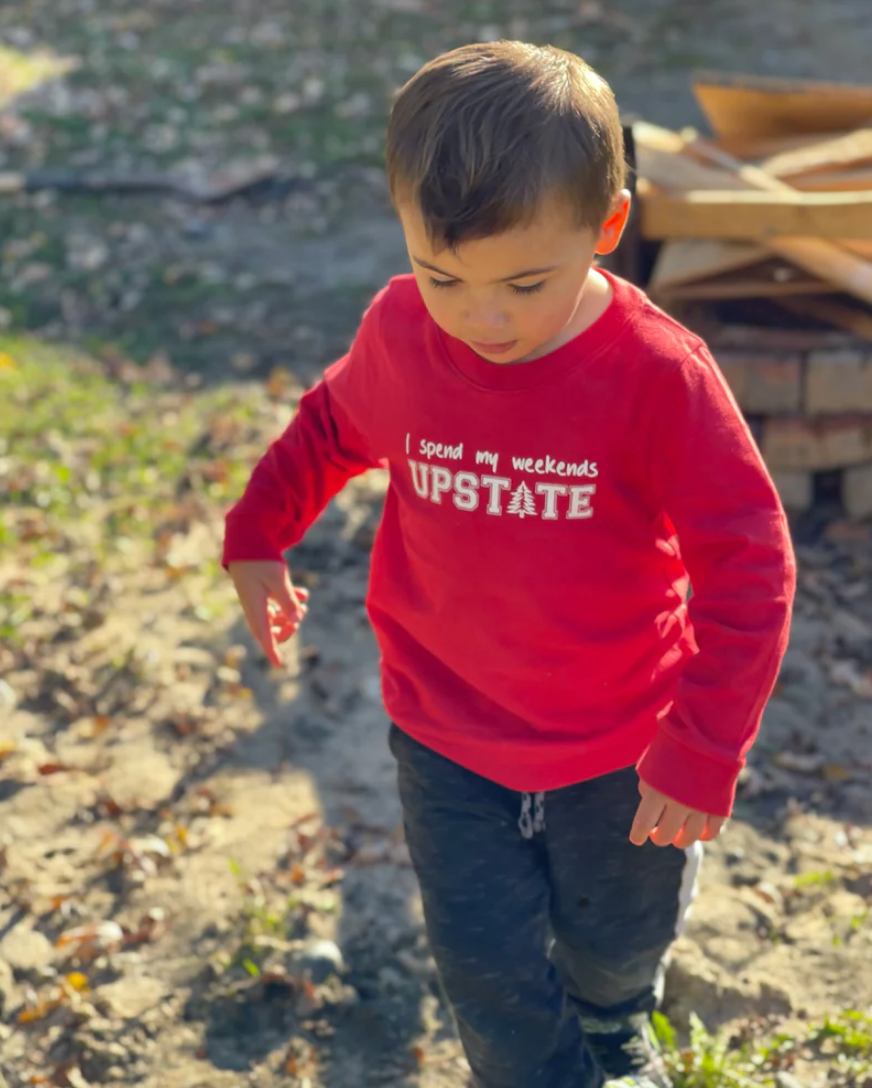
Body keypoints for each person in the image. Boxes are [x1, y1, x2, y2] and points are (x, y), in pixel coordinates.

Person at [222, 41, 796, 1088]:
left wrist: (702, 744)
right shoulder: (401, 331)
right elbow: (329, 428)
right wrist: (258, 531)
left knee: (612, 945)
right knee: (482, 966)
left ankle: (615, 1016)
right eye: (444, 274)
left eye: (522, 282)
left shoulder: (656, 375)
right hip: (445, 733)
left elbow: (748, 566)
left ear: (606, 227)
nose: (480, 317)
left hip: (622, 743)